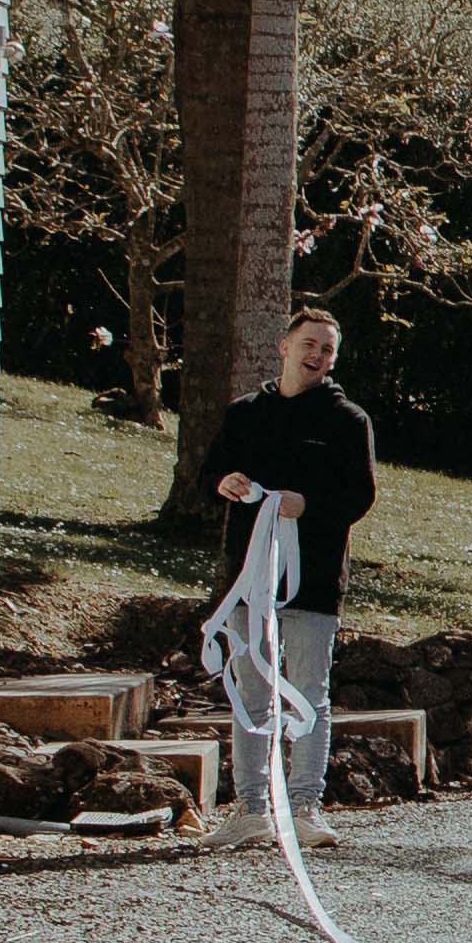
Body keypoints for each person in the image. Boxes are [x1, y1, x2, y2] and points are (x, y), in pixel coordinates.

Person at [204, 309, 383, 828]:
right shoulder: (243, 413)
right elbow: (208, 472)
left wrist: (308, 506)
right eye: (309, 344)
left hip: (315, 579)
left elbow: (359, 496)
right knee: (251, 692)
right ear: (284, 347)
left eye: (327, 350)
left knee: (309, 692)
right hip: (248, 578)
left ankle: (305, 805)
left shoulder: (349, 420)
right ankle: (251, 809)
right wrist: (226, 482)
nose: (317, 356)